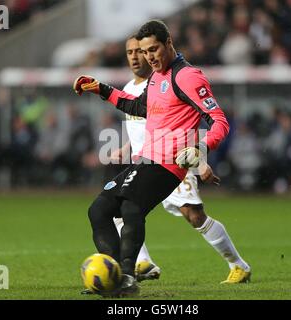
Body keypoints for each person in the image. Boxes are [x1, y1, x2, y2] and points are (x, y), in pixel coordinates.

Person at [73, 20, 246, 296]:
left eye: (154, 49)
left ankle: (126, 278)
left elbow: (219, 121)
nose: (149, 56)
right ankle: (116, 276)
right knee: (99, 211)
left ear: (169, 43)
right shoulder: (156, 77)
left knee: (132, 208)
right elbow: (138, 107)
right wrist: (102, 89)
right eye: (144, 52)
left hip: (169, 163)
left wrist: (202, 148)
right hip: (146, 159)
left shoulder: (188, 77)